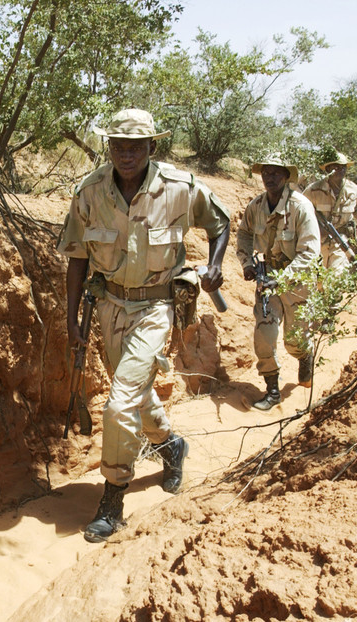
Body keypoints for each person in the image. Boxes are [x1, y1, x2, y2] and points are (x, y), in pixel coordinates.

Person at [57, 109, 231, 543]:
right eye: (118, 146)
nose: (127, 154)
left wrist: (214, 266)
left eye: (136, 146)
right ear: (108, 147)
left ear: (153, 147)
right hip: (109, 307)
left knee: (118, 406)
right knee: (134, 392)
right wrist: (70, 317)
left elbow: (220, 223)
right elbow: (78, 255)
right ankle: (172, 446)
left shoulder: (180, 188)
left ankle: (112, 497)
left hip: (156, 308)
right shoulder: (90, 191)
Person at [235, 154, 321, 410]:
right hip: (267, 276)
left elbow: (309, 252)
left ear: (285, 177)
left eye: (275, 173)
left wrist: (283, 279)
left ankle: (304, 356)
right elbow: (243, 234)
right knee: (264, 333)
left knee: (294, 341)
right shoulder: (256, 206)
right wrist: (247, 264)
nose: (269, 178)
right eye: (266, 173)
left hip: (298, 280)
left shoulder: (301, 207)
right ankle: (272, 391)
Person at [303, 151, 357, 271]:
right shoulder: (313, 190)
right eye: (336, 167)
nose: (341, 170)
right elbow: (301, 210)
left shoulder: (353, 189)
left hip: (342, 239)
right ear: (328, 169)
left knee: (338, 273)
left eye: (343, 167)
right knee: (318, 277)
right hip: (318, 240)